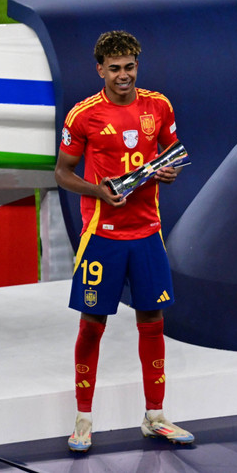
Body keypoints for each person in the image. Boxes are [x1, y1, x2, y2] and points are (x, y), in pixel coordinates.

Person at [54, 30, 194, 452]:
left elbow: (172, 154)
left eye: (129, 67)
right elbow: (62, 173)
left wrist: (171, 172)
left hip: (147, 232)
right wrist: (98, 191)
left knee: (152, 322)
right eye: (114, 68)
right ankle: (82, 420)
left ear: (137, 65)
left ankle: (155, 417)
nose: (123, 76)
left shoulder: (158, 105)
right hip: (102, 236)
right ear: (100, 69)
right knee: (93, 325)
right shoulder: (83, 116)